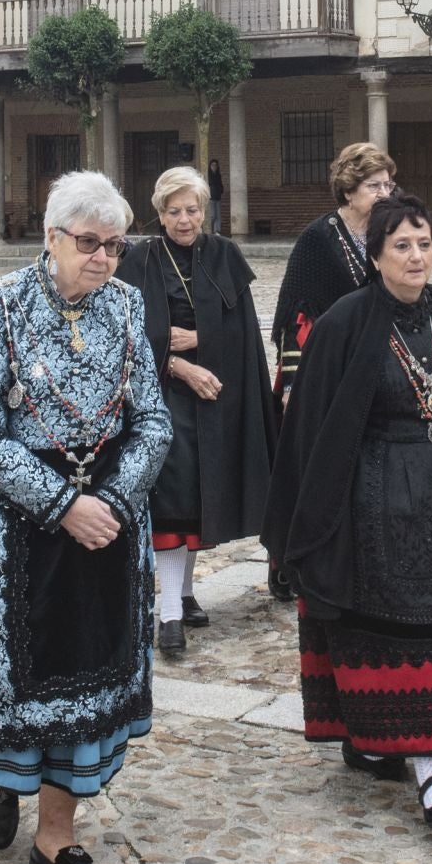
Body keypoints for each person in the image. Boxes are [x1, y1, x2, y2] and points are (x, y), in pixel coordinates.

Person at [0, 171, 171, 864]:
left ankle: (56, 837)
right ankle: (2, 778)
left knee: (88, 674)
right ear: (52, 238)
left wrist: (112, 501)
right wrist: (61, 504)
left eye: (115, 246)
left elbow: (152, 419)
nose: (104, 259)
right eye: (89, 244)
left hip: (109, 518)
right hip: (12, 517)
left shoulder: (127, 304)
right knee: (10, 678)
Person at [263, 193, 432, 829]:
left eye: (424, 243)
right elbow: (314, 428)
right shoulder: (345, 323)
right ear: (375, 254)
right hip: (372, 498)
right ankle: (377, 736)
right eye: (401, 245)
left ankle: (431, 766)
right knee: (376, 622)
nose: (415, 256)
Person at [115, 166, 276, 654]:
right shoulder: (138, 259)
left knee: (199, 500)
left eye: (193, 210)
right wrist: (178, 363)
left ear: (204, 212)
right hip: (162, 396)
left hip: (216, 394)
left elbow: (245, 331)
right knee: (170, 498)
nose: (185, 220)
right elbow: (126, 335)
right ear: (159, 214)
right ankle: (167, 616)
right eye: (174, 211)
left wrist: (205, 337)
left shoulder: (224, 254)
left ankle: (184, 595)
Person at [265, 141, 396, 600]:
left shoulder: (386, 234)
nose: (385, 192)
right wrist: (295, 384)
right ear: (349, 190)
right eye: (374, 185)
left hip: (372, 372)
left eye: (387, 184)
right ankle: (289, 561)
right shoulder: (319, 238)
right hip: (318, 373)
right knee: (308, 469)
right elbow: (296, 315)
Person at [207, 158, 225, 234]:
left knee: (218, 216)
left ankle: (217, 231)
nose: (214, 167)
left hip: (218, 197)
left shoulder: (218, 175)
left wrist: (221, 190)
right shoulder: (207, 175)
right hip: (210, 198)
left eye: (215, 165)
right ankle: (208, 229)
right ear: (210, 166)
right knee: (213, 215)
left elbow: (220, 185)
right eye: (212, 165)